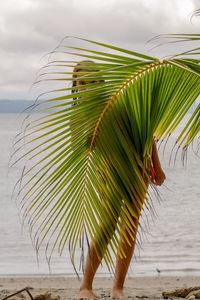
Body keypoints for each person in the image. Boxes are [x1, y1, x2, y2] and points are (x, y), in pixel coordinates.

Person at [71, 61, 166, 299]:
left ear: (100, 82)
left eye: (93, 81)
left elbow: (146, 131)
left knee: (129, 227)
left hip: (137, 169)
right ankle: (86, 286)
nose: (89, 87)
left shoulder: (117, 102)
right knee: (107, 225)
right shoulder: (77, 117)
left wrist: (157, 165)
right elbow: (79, 154)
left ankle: (118, 288)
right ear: (76, 86)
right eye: (84, 83)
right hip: (108, 172)